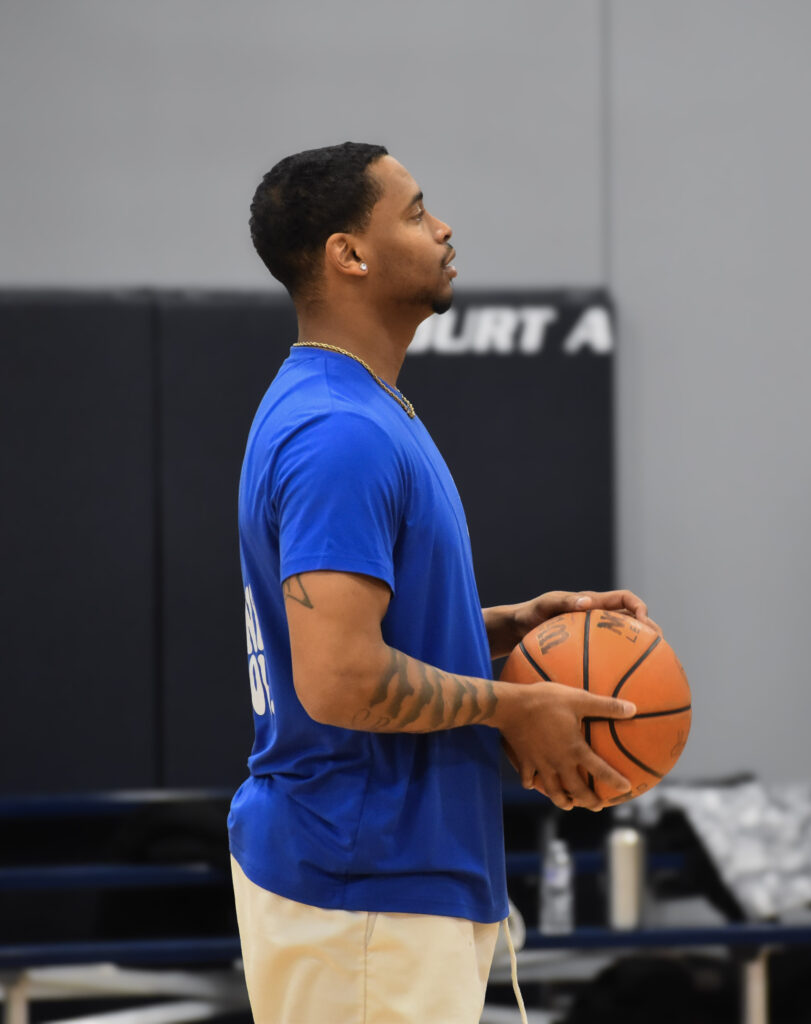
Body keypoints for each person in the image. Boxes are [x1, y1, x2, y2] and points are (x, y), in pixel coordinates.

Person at [229, 141, 656, 1024]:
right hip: (364, 877)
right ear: (350, 253)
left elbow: (355, 639)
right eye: (417, 211)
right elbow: (340, 678)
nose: (444, 226)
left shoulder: (360, 408)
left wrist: (501, 627)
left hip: (390, 875)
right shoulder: (337, 432)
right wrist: (513, 707)